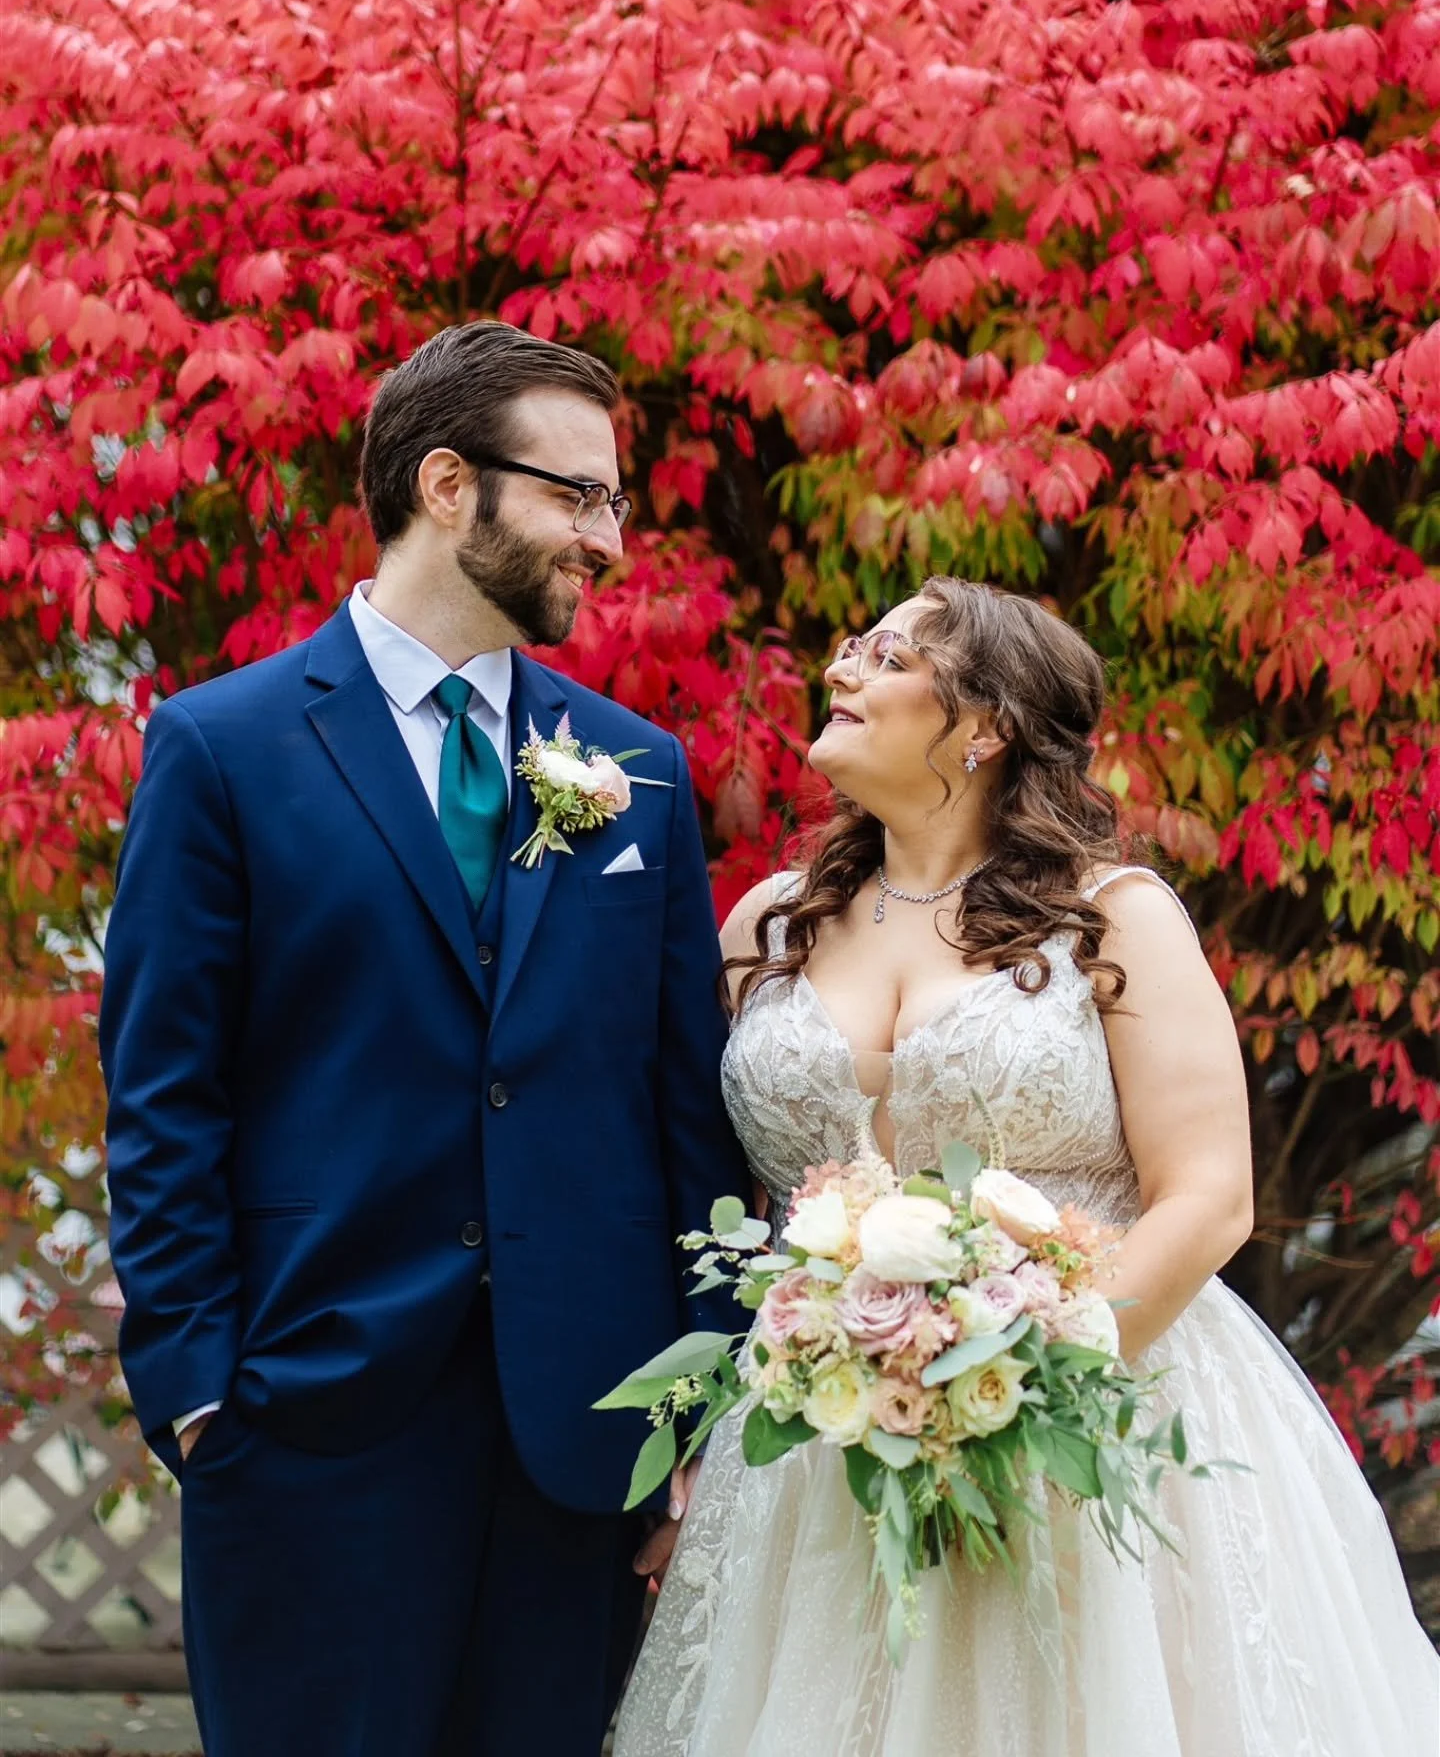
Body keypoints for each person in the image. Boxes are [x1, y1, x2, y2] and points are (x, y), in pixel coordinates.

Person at [615, 577, 1438, 1756]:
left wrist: (1013, 1382)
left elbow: (1209, 1195)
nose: (839, 669)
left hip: (1082, 1415)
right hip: (823, 1433)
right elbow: (715, 1197)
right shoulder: (766, 926)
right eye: (850, 645)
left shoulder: (1114, 919)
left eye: (883, 653)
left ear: (984, 723)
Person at [100, 320, 749, 1757]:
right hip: (304, 1434)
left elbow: (683, 1112)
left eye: (616, 501)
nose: (613, 541)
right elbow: (163, 1102)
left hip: (582, 1452)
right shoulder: (220, 748)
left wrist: (697, 1411)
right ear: (449, 485)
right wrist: (203, 1400)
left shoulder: (635, 771)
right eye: (578, 495)